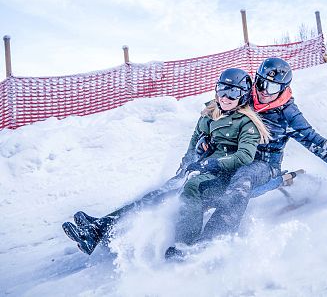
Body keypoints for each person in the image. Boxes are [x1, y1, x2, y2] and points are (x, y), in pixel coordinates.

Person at [62, 68, 271, 256]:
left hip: (224, 175)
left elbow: (244, 156)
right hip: (200, 169)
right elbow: (191, 148)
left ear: (242, 96)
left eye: (233, 92)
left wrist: (211, 164)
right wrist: (185, 167)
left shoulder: (247, 123)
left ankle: (185, 245)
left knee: (190, 189)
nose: (225, 97)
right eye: (222, 90)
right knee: (158, 194)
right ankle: (101, 228)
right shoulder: (209, 114)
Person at [199, 57, 327, 242]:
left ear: (283, 88)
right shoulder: (246, 96)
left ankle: (212, 240)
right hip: (235, 155)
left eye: (273, 87)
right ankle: (185, 230)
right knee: (203, 178)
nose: (264, 91)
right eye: (261, 84)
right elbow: (217, 113)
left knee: (242, 178)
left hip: (264, 165)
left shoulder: (288, 115)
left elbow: (320, 146)